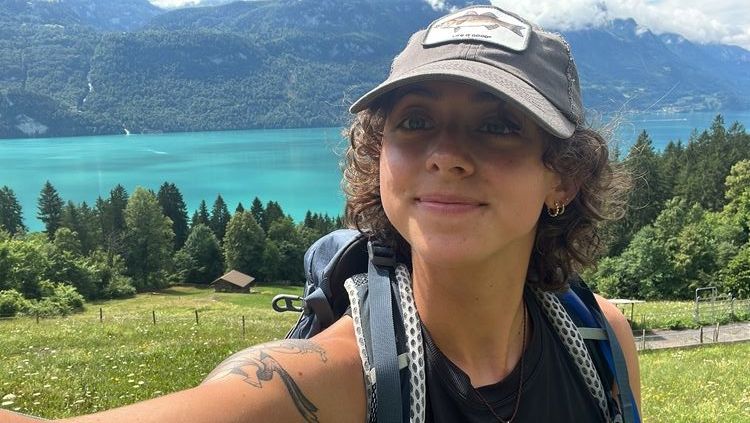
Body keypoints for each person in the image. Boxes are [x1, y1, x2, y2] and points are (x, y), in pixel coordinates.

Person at [2, 5, 640, 423]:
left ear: (564, 175)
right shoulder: (324, 383)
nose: (445, 155)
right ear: (379, 160)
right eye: (415, 121)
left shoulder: (601, 341)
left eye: (498, 126)